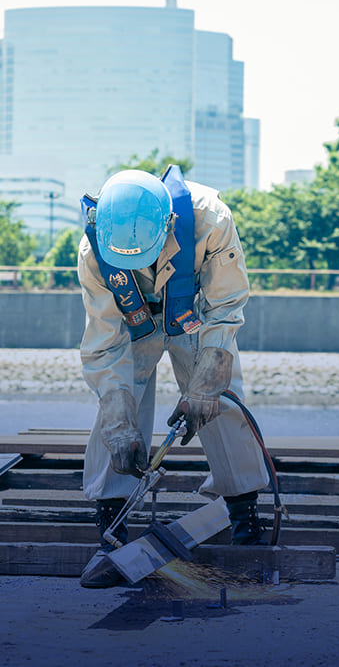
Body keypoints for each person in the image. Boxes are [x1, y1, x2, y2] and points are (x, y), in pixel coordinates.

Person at [77, 165, 269, 588]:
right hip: (133, 323)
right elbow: (105, 343)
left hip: (196, 316)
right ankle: (111, 530)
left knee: (221, 402)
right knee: (116, 413)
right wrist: (118, 418)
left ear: (170, 224)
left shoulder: (210, 217)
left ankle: (244, 518)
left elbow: (225, 303)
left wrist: (207, 381)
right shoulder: (94, 251)